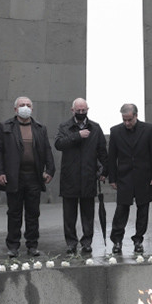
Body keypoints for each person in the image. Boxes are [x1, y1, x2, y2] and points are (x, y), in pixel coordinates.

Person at [0, 96, 55, 258]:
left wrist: (50, 170)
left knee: (33, 213)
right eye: (22, 105)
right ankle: (13, 246)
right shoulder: (5, 126)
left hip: (34, 177)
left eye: (28, 105)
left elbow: (47, 150)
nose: (25, 107)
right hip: (14, 177)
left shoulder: (40, 128)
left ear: (32, 109)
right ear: (15, 109)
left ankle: (32, 245)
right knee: (14, 213)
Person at [55, 98, 108, 254]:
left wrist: (105, 171)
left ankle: (87, 242)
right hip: (69, 178)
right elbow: (58, 144)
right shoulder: (64, 127)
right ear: (72, 110)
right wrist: (77, 135)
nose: (81, 112)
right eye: (78, 110)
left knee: (88, 214)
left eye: (83, 110)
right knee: (69, 215)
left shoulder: (95, 128)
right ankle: (71, 243)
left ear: (87, 110)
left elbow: (102, 152)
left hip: (88, 177)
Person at [107, 103, 152, 254]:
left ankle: (138, 240)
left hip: (144, 177)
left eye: (129, 119)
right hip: (124, 177)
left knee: (143, 210)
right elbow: (112, 157)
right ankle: (117, 241)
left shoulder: (148, 129)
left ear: (136, 116)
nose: (127, 123)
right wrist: (112, 178)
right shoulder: (115, 131)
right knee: (121, 210)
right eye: (124, 120)